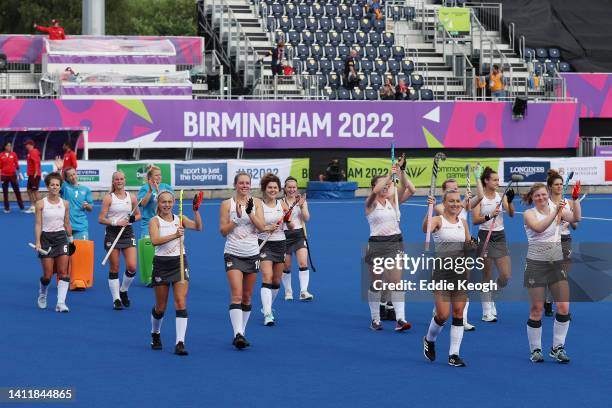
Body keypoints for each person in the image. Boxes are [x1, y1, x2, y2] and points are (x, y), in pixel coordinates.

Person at [522, 183, 581, 363]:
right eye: (537, 196)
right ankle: (536, 350)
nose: (541, 198)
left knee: (564, 307)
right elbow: (539, 228)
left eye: (543, 195)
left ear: (547, 195)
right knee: (537, 309)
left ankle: (558, 348)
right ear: (532, 198)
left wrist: (576, 200)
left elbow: (576, 218)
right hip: (536, 265)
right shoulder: (529, 214)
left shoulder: (558, 208)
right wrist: (556, 213)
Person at [423, 189, 474, 367]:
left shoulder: (464, 222)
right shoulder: (438, 220)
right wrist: (428, 210)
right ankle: (429, 339)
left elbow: (468, 244)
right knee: (443, 315)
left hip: (459, 271)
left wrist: (473, 245)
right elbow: (425, 229)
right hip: (442, 272)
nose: (455, 204)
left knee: (458, 313)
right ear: (444, 204)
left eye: (457, 201)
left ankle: (454, 354)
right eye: (451, 201)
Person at [365, 154, 415, 331]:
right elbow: (377, 189)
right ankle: (375, 319)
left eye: (388, 185)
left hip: (394, 243)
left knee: (396, 282)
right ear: (374, 187)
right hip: (376, 244)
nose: (386, 187)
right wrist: (389, 173)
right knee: (376, 284)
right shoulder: (370, 203)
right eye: (383, 186)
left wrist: (400, 170)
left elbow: (408, 188)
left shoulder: (393, 202)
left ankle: (400, 319)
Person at [149, 190, 203, 356]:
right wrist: (175, 234)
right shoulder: (155, 221)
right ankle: (155, 333)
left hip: (179, 262)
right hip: (161, 264)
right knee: (161, 307)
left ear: (173, 203)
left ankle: (180, 342)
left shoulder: (180, 218)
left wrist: (195, 210)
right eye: (163, 202)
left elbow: (198, 227)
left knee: (180, 302)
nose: (167, 205)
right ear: (158, 204)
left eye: (169, 202)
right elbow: (155, 241)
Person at [219, 172, 266, 349]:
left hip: (252, 254)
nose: (244, 186)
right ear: (235, 184)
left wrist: (249, 213)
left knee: (247, 297)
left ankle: (242, 332)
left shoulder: (257, 203)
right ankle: (237, 333)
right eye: (241, 183)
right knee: (237, 294)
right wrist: (237, 220)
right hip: (233, 253)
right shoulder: (226, 204)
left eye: (247, 183)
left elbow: (261, 227)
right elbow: (223, 231)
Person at [433, 173, 484, 331]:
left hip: (462, 254)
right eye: (450, 190)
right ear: (444, 193)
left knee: (464, 287)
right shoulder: (440, 207)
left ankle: (462, 318)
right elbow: (450, 212)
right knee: (443, 310)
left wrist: (477, 178)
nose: (454, 191)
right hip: (445, 257)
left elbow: (480, 196)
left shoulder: (462, 205)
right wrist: (463, 202)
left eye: (456, 189)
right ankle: (439, 312)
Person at [472, 166, 515, 322]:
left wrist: (509, 202)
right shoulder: (480, 198)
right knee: (487, 275)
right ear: (486, 181)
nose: (498, 182)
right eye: (495, 180)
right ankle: (486, 311)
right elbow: (475, 220)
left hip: (500, 236)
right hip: (485, 236)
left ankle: (493, 294)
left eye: (498, 179)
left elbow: (511, 214)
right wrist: (490, 215)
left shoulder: (500, 195)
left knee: (505, 275)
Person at [99, 171, 141, 310]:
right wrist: (116, 222)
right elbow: (101, 219)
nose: (119, 181)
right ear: (113, 181)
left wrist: (132, 219)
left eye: (121, 179)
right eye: (116, 179)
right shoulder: (108, 198)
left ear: (125, 180)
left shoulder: (132, 197)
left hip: (127, 233)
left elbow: (138, 215)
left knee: (132, 267)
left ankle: (123, 290)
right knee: (115, 267)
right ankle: (116, 298)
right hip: (112, 234)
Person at [34, 172, 74, 312]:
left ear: (60, 187)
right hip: (46, 239)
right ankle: (43, 294)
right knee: (48, 275)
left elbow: (67, 223)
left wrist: (71, 241)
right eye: (52, 185)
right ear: (47, 186)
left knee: (63, 273)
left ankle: (60, 303)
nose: (55, 187)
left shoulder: (65, 204)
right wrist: (38, 242)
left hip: (61, 238)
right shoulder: (40, 204)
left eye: (57, 185)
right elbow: (38, 224)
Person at [544, 170, 580, 317]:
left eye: (561, 184)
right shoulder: (546, 203)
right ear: (550, 187)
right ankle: (552, 303)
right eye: (556, 184)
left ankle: (555, 305)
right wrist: (556, 218)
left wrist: (567, 218)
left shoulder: (568, 202)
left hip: (565, 240)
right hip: (551, 240)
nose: (559, 187)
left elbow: (575, 225)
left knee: (563, 276)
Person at [258, 174, 291, 325]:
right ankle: (268, 314)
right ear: (264, 189)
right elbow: (255, 225)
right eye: (270, 187)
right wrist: (267, 227)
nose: (272, 190)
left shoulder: (282, 205)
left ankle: (267, 306)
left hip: (280, 244)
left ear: (279, 189)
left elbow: (289, 226)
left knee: (276, 281)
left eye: (275, 187)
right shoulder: (258, 204)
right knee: (267, 276)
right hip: (264, 243)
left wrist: (287, 219)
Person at [281, 176, 313, 301]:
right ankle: (288, 292)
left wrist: (301, 206)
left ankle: (303, 291)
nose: (292, 189)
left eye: (294, 187)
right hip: (284, 236)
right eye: (289, 187)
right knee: (286, 266)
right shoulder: (280, 202)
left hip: (299, 234)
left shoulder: (302, 201)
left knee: (303, 263)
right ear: (285, 188)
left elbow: (306, 218)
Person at [138, 165, 174, 239]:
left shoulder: (166, 187)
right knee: (148, 248)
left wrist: (158, 191)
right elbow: (143, 204)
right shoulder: (144, 188)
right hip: (148, 223)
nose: (159, 177)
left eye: (160, 175)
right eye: (156, 175)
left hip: (164, 222)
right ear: (150, 177)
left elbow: (170, 202)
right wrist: (150, 191)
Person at [61, 167, 93, 240]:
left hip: (81, 226)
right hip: (66, 226)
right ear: (67, 178)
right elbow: (58, 182)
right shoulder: (65, 187)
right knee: (68, 251)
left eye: (74, 174)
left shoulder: (86, 189)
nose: (73, 177)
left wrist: (87, 206)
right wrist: (59, 170)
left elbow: (90, 208)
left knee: (81, 250)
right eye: (70, 175)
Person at [0, 141, 25, 213]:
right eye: (8, 146)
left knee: (17, 191)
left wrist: (19, 174)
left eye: (10, 146)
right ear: (5, 147)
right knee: (5, 192)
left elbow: (17, 165)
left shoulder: (14, 154)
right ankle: (7, 208)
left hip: (13, 175)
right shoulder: (1, 155)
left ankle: (22, 207)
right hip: (4, 176)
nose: (9, 147)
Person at [25, 140, 41, 213]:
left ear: (30, 145)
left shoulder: (33, 151)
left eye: (26, 144)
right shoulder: (29, 153)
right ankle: (33, 206)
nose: (25, 146)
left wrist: (36, 172)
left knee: (35, 191)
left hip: (34, 174)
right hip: (31, 174)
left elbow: (36, 162)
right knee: (29, 190)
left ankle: (39, 207)